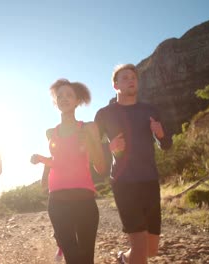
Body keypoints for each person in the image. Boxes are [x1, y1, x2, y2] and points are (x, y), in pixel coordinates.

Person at [94, 64, 172, 264]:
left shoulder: (150, 110)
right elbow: (93, 148)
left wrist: (161, 135)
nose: (131, 80)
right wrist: (109, 147)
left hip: (150, 180)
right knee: (139, 242)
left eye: (134, 78)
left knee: (151, 249)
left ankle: (124, 259)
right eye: (125, 77)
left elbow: (167, 145)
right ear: (115, 85)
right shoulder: (104, 114)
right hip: (123, 181)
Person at [31, 79, 106, 264]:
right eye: (60, 96)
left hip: (84, 199)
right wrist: (42, 160)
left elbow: (101, 167)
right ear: (55, 102)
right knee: (72, 258)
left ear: (77, 101)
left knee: (86, 258)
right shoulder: (50, 132)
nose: (64, 98)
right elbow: (58, 162)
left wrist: (89, 141)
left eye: (69, 95)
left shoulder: (88, 127)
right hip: (57, 201)